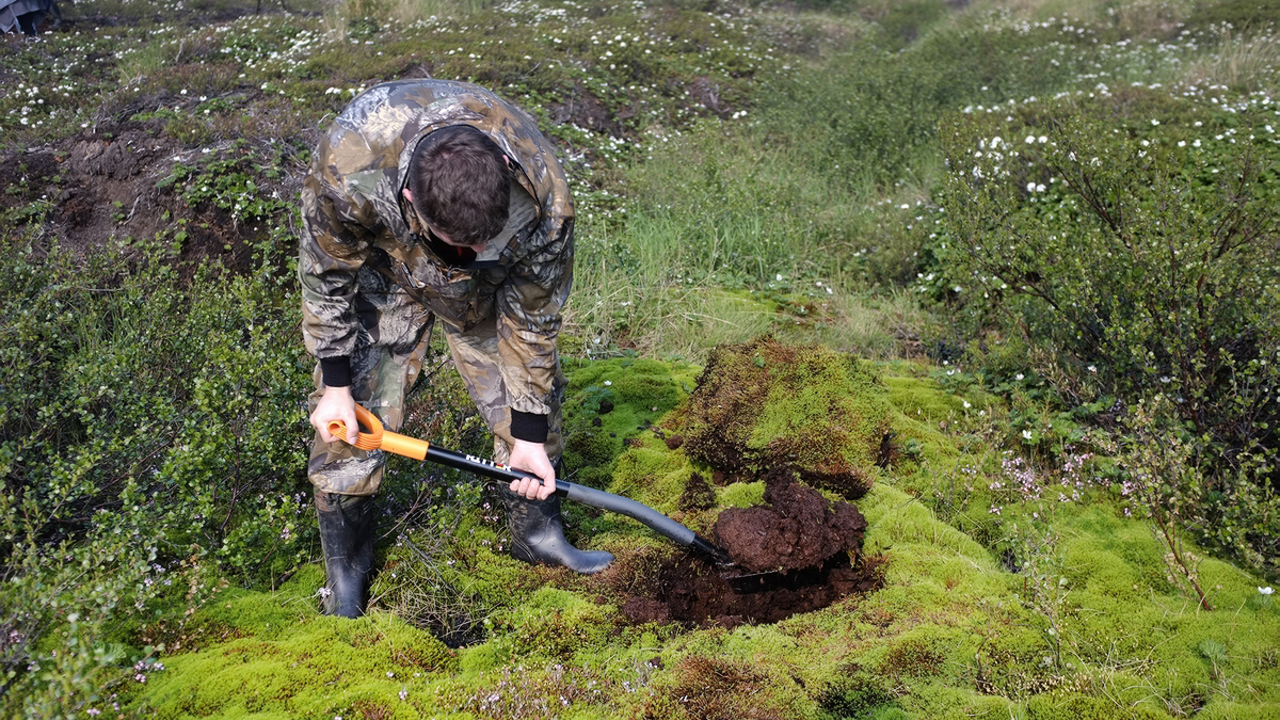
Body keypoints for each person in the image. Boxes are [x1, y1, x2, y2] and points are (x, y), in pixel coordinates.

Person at [300, 79, 613, 618]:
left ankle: (535, 534)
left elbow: (532, 325)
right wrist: (334, 385)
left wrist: (530, 437)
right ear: (409, 201)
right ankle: (346, 571)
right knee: (353, 415)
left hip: (487, 290)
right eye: (460, 243)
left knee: (531, 413)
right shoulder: (350, 163)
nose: (472, 250)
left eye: (482, 239)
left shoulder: (543, 202)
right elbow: (326, 278)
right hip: (387, 269)